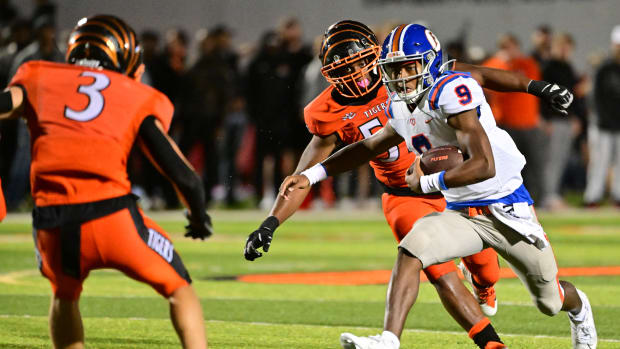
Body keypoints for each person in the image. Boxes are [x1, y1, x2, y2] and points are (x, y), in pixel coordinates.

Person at [245, 21, 575, 349]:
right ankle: (489, 344)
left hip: (451, 187)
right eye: (345, 68)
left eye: (360, 63)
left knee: (488, 274)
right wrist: (270, 222)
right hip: (404, 194)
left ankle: (485, 283)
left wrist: (537, 87)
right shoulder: (326, 110)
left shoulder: (416, 69)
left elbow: (482, 75)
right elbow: (306, 174)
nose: (356, 74)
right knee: (433, 266)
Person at [0, 15, 212, 349]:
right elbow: (183, 174)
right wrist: (198, 217)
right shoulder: (135, 95)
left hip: (54, 223)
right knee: (179, 288)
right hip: (113, 220)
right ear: (124, 56)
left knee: (64, 295)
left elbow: (4, 104)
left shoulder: (38, 75)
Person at [583, 25, 620, 207]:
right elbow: (594, 97)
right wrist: (598, 119)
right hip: (603, 125)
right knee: (599, 163)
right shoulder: (604, 68)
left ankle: (618, 197)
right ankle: (593, 197)